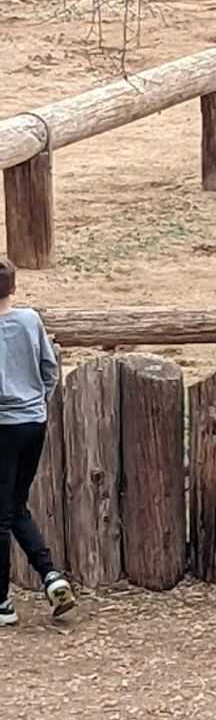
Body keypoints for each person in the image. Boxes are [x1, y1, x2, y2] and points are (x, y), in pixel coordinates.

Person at [0, 257, 76, 627]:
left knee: (1, 515)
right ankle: (51, 576)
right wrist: (38, 402)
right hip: (33, 422)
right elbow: (50, 368)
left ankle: (2, 603)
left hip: (3, 426)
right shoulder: (30, 321)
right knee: (15, 505)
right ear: (13, 287)